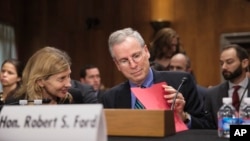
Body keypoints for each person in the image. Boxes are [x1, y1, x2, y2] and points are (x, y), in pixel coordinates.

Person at [101, 27, 205, 129]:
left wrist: (182, 116)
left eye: (136, 56)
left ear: (146, 52)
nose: (133, 65)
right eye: (124, 60)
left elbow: (207, 126)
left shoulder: (181, 82)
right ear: (117, 64)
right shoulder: (110, 98)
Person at [14, 46, 83, 104]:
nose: (69, 84)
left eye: (68, 76)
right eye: (61, 78)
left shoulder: (75, 97)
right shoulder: (16, 104)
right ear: (40, 81)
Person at [204, 44, 250, 129]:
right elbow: (206, 125)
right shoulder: (212, 94)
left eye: (229, 62)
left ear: (244, 63)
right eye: (221, 63)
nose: (224, 67)